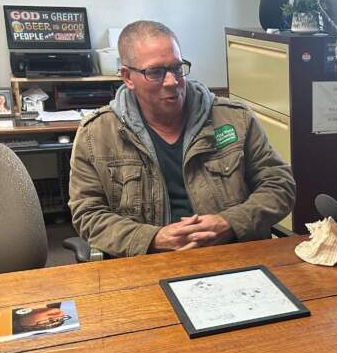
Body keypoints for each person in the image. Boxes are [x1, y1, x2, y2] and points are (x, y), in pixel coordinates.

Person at [68, 20, 295, 257]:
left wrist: (229, 222)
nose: (172, 82)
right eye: (155, 72)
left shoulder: (234, 119)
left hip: (231, 255)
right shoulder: (96, 134)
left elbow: (280, 185)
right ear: (127, 77)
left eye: (177, 68)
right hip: (145, 262)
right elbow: (88, 214)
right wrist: (153, 238)